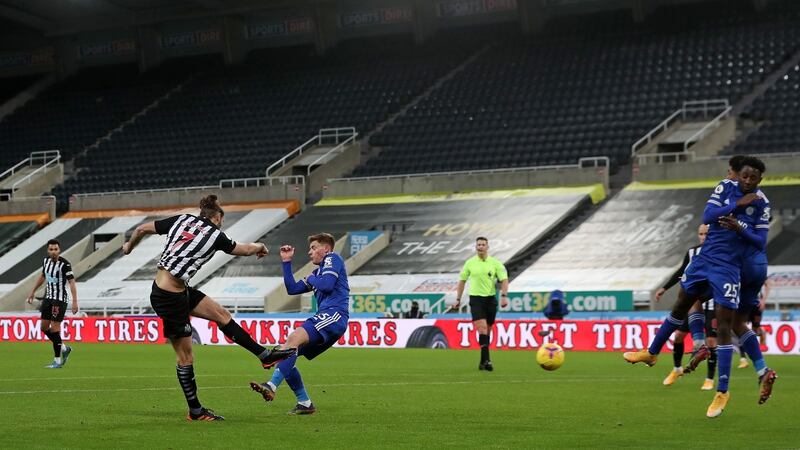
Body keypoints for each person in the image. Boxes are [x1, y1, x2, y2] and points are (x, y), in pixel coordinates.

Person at [624, 156, 776, 418]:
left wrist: (740, 228)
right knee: (681, 305)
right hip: (704, 261)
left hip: (729, 268)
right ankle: (651, 353)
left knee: (725, 327)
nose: (749, 181)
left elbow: (760, 242)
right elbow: (707, 216)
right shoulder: (724, 187)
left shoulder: (762, 204)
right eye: (745, 176)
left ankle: (722, 390)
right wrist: (736, 204)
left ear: (761, 180)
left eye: (754, 178)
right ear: (738, 175)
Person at [122, 195, 293, 421]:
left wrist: (128, 246)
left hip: (177, 289)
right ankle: (195, 411)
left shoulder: (182, 219)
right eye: (221, 220)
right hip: (168, 298)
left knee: (221, 315)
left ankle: (264, 355)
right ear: (217, 217)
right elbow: (243, 249)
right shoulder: (215, 235)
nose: (222, 223)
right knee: (186, 358)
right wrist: (261, 246)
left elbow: (143, 228)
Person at [250, 233, 350, 415]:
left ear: (326, 248)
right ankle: (305, 403)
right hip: (328, 318)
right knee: (286, 352)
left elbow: (327, 285)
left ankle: (271, 385)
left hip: (334, 315)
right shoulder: (318, 273)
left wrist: (311, 279)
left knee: (293, 338)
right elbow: (292, 288)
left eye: (314, 248)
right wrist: (286, 262)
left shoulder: (332, 258)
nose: (310, 253)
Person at [654, 224, 712, 388]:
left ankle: (709, 379)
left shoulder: (719, 251)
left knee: (712, 341)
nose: (703, 237)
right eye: (700, 234)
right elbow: (681, 272)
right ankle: (677, 369)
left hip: (712, 303)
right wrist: (664, 288)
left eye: (706, 234)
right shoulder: (692, 252)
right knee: (679, 336)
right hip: (694, 302)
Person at [454, 237, 509, 371]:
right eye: (478, 245)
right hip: (476, 299)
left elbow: (504, 280)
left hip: (490, 300)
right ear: (476, 247)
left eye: (483, 245)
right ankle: (488, 361)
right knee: (483, 329)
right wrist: (458, 298)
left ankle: (482, 361)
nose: (480, 247)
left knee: (487, 331)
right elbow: (462, 281)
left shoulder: (495, 263)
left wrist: (503, 296)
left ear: (487, 247)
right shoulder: (470, 263)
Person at [26, 239, 78, 368]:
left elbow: (71, 282)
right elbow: (43, 276)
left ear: (59, 250)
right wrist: (32, 291)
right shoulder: (46, 261)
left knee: (55, 329)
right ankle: (65, 349)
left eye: (56, 249)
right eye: (51, 249)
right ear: (48, 250)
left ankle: (57, 360)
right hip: (48, 298)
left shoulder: (65, 265)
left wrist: (75, 301)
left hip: (59, 300)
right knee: (43, 328)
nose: (53, 252)